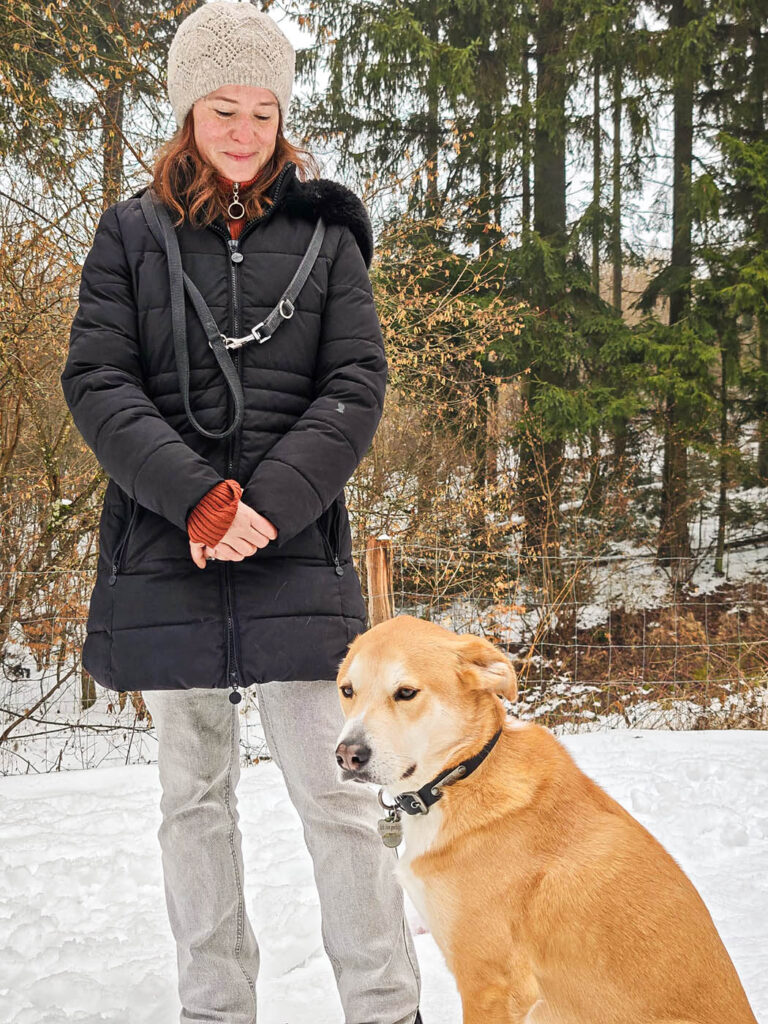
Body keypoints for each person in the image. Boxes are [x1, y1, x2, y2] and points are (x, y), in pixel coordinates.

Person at [60, 3, 422, 1022]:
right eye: (225, 108)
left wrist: (263, 504)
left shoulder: (326, 235)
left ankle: (388, 1009)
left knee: (345, 804)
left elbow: (355, 382)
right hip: (165, 554)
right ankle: (214, 1012)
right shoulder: (127, 235)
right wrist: (198, 499)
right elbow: (96, 380)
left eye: (264, 111)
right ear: (188, 111)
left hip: (296, 559)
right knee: (193, 808)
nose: (244, 131)